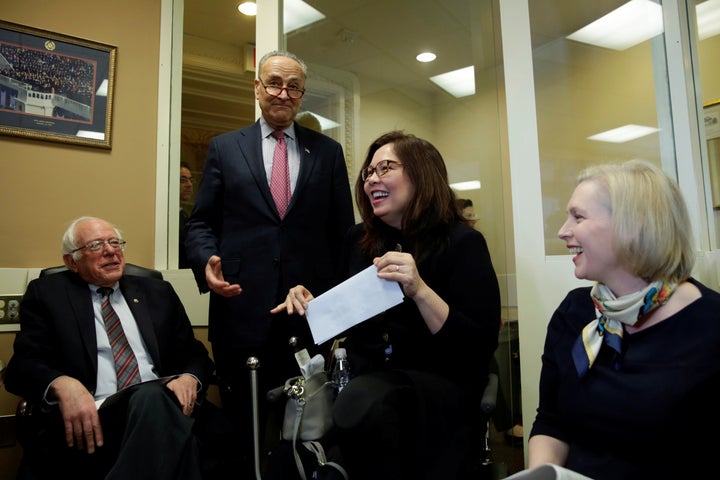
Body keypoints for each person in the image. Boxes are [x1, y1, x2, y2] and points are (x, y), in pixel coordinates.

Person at [273, 130, 502, 479]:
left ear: (420, 174)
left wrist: (420, 289)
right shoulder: (358, 242)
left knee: (367, 407)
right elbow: (342, 321)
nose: (371, 180)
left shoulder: (463, 243)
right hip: (366, 391)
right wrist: (310, 304)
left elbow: (477, 348)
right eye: (368, 173)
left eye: (385, 169)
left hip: (437, 389)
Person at [184, 50, 355, 473]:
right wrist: (206, 260)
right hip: (241, 309)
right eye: (274, 83)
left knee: (309, 426)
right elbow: (200, 222)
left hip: (309, 313)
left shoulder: (328, 152)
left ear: (302, 94)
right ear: (257, 88)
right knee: (246, 427)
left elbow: (343, 234)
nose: (283, 93)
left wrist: (333, 299)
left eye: (293, 86)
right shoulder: (226, 148)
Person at [528, 160, 720, 479]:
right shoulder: (574, 313)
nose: (563, 231)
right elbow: (551, 422)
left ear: (635, 225)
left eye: (578, 216)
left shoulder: (710, 324)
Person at [4, 216, 215, 480]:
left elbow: (195, 355)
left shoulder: (157, 292)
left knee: (155, 401)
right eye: (95, 245)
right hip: (97, 414)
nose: (110, 250)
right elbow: (21, 366)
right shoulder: (48, 294)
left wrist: (189, 377)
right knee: (177, 433)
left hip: (166, 403)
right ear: (72, 261)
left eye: (115, 242)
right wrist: (61, 382)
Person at [179, 162, 194, 268]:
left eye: (190, 180)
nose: (189, 185)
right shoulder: (171, 219)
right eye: (183, 180)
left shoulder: (185, 215)